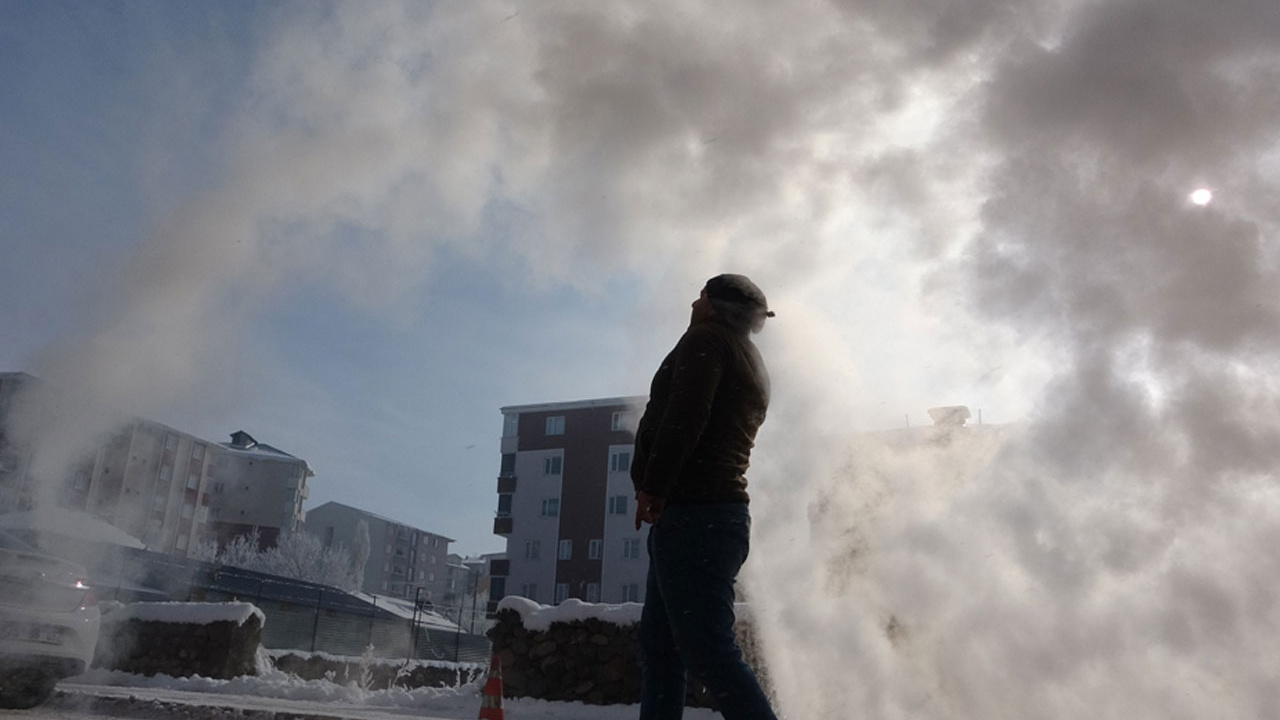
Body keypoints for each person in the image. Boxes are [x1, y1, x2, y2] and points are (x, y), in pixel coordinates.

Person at [630, 274, 779, 720]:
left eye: (700, 296)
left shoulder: (706, 341)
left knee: (708, 650)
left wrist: (653, 487)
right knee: (661, 647)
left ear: (713, 305)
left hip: (697, 515)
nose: (693, 303)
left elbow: (685, 417)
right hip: (708, 516)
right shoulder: (749, 358)